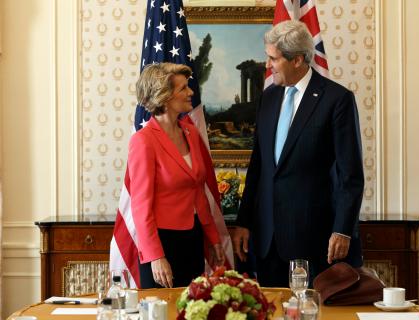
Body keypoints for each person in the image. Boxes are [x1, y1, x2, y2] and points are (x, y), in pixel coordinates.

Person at [232, 20, 364, 287]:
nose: (268, 65)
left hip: (315, 240)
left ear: (298, 60)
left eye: (273, 58)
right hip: (268, 240)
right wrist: (243, 222)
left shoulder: (336, 100)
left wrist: (342, 230)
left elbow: (351, 175)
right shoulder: (267, 99)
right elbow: (257, 166)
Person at [129, 62, 225, 288]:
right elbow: (140, 206)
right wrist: (155, 256)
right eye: (183, 88)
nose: (191, 92)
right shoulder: (143, 141)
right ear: (164, 96)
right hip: (162, 243)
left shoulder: (190, 132)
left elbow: (198, 191)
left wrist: (212, 237)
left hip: (192, 240)